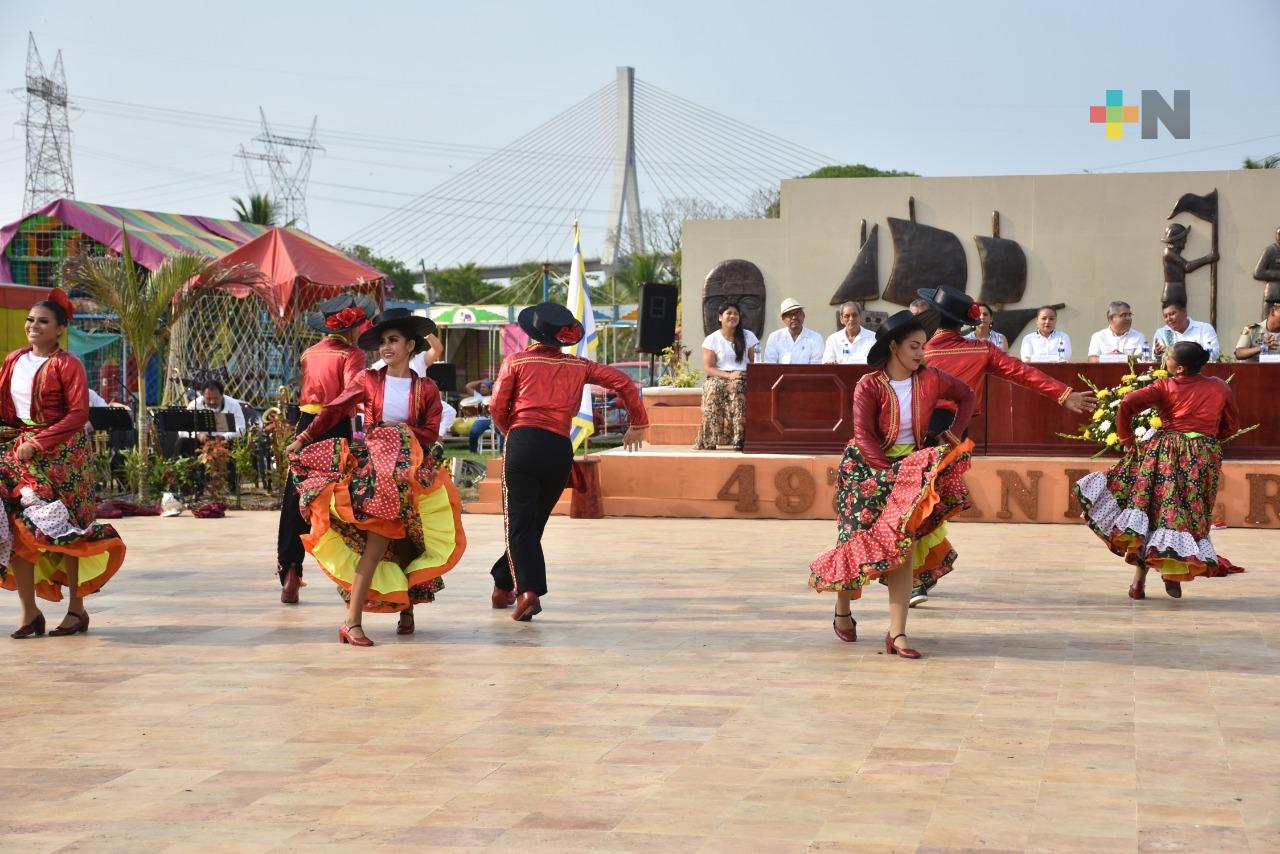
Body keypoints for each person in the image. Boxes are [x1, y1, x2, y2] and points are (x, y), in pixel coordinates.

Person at [291, 308, 466, 646]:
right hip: (376, 472)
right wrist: (304, 438)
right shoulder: (369, 380)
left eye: (393, 341)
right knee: (377, 541)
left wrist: (400, 432)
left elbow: (430, 431)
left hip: (413, 472)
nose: (386, 347)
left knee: (410, 539)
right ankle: (351, 622)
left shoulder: (427, 388)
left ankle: (406, 608)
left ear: (410, 345)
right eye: (383, 342)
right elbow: (334, 409)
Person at [809, 310, 975, 660]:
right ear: (894, 346)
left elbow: (967, 396)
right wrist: (888, 474)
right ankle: (842, 609)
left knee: (902, 547)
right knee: (855, 544)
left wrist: (949, 436)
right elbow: (864, 437)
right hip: (865, 471)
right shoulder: (868, 385)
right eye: (914, 346)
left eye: (923, 347)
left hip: (910, 467)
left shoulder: (931, 378)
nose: (921, 353)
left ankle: (897, 633)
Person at [919, 286, 1096, 605]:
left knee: (919, 499)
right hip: (952, 431)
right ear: (964, 322)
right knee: (929, 499)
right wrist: (1064, 394)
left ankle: (922, 570)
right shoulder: (981, 350)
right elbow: (1023, 373)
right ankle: (925, 568)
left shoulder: (918, 351)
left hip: (915, 430)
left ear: (933, 317)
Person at [488, 302, 649, 621]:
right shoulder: (580, 365)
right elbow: (625, 383)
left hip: (524, 441)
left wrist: (513, 433)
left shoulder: (516, 361)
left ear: (532, 333)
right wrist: (639, 422)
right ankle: (502, 584)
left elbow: (496, 406)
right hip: (559, 447)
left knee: (519, 526)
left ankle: (528, 592)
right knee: (533, 524)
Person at [0, 290, 126, 638]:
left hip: (64, 457)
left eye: (42, 321)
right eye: (30, 320)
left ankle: (77, 609)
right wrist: (22, 440)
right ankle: (29, 612)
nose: (33, 326)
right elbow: (5, 410)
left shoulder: (67, 364)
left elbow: (78, 414)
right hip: (21, 451)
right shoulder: (14, 360)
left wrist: (40, 441)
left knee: (67, 532)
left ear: (59, 329)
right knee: (16, 527)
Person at [1074, 342, 1242, 600]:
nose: (1165, 358)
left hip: (1166, 454)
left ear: (1180, 367)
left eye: (1169, 356)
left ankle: (1139, 581)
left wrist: (1127, 440)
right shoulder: (1220, 386)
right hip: (1203, 457)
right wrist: (1205, 439)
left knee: (1151, 513)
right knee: (1185, 517)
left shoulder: (1166, 385)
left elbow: (1127, 403)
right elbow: (1231, 425)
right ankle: (1170, 575)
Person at [276, 294, 376, 605]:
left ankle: (290, 571)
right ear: (353, 327)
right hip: (332, 427)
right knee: (344, 500)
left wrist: (305, 433)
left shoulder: (309, 353)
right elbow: (346, 397)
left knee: (296, 499)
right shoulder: (353, 354)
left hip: (305, 422)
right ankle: (351, 583)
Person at [693, 301, 757, 450]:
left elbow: (755, 361)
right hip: (719, 376)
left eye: (736, 313)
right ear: (720, 317)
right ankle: (709, 439)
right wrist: (728, 376)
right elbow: (709, 368)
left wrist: (742, 374)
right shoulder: (711, 339)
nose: (733, 316)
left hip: (742, 376)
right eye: (729, 313)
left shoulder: (749, 336)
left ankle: (739, 438)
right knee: (713, 390)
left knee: (737, 387)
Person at [1152, 299, 1219, 361]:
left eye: (1172, 314)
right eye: (1165, 316)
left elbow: (1214, 354)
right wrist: (1157, 353)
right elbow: (1155, 359)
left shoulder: (1204, 328)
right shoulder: (1162, 333)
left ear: (1184, 312)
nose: (1169, 319)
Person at [762, 298, 824, 365]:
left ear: (803, 315)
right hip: (780, 375)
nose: (794, 317)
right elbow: (770, 365)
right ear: (783, 319)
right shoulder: (774, 337)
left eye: (798, 313)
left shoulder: (816, 338)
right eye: (789, 314)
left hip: (807, 375)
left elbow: (816, 367)